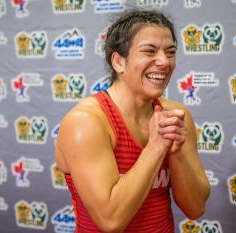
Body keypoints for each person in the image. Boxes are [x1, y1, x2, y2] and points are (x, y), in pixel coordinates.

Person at [55, 9, 210, 233]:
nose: (164, 62)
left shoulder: (175, 114)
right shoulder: (86, 121)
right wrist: (156, 147)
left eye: (170, 52)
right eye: (149, 51)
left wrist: (176, 154)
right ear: (118, 62)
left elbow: (195, 208)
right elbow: (111, 221)